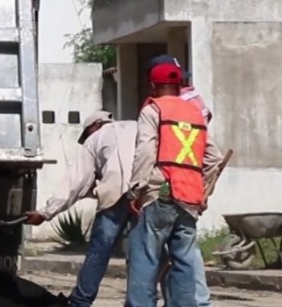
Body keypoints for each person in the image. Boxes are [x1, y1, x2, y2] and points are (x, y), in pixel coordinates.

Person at [125, 62, 223, 307]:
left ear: (153, 86)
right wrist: (201, 187)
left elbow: (145, 152)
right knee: (185, 262)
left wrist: (136, 190)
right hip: (189, 199)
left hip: (160, 195)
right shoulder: (195, 113)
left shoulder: (153, 110)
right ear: (180, 85)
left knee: (145, 260)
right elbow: (214, 158)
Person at [24, 111, 136, 307]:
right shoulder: (137, 125)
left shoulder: (96, 138)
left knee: (99, 252)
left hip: (116, 192)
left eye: (86, 134)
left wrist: (45, 212)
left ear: (95, 125)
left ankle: (80, 302)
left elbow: (76, 182)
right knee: (144, 254)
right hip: (147, 191)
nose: (86, 140)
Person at [147, 55, 215, 307]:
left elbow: (152, 150)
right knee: (184, 252)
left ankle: (192, 301)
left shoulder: (167, 106)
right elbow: (209, 155)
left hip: (166, 190)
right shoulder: (195, 103)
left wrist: (138, 189)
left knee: (159, 253)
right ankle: (187, 302)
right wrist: (203, 188)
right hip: (190, 190)